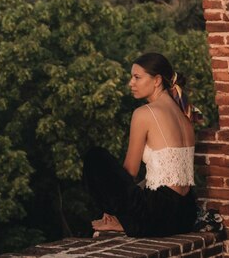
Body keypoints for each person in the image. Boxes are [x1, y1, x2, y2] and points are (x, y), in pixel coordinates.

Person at [83, 52, 202, 237]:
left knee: (95, 157)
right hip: (186, 214)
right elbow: (166, 173)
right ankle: (124, 223)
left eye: (137, 77)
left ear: (156, 80)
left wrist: (112, 205)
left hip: (158, 212)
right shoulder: (185, 114)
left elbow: (129, 171)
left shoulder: (144, 113)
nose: (131, 83)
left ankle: (122, 223)